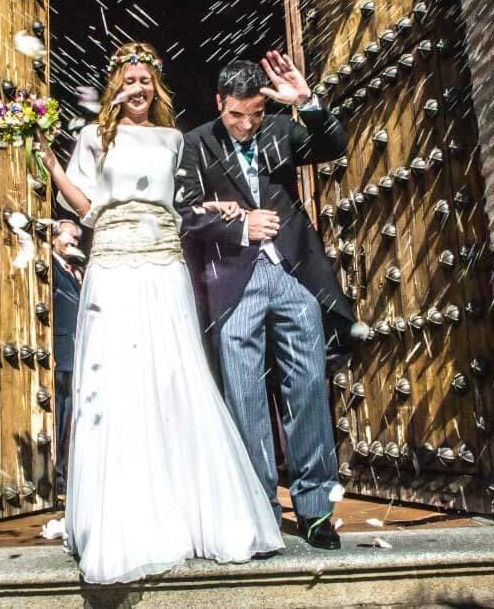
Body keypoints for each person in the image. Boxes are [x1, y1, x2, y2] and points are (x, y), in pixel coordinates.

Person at [40, 42, 284, 585]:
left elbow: (183, 202)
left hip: (164, 263)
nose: (138, 88)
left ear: (156, 87)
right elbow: (84, 206)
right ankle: (123, 519)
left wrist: (216, 207)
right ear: (114, 87)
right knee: (118, 384)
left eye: (146, 80)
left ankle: (196, 513)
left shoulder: (176, 139)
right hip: (113, 263)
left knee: (177, 377)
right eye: (128, 80)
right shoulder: (92, 137)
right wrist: (54, 167)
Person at [175, 53, 353, 550]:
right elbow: (184, 213)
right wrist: (237, 225)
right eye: (237, 115)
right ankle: (261, 509)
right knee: (246, 401)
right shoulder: (195, 143)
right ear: (219, 103)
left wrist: (309, 103)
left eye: (255, 113)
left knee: (308, 391)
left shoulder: (280, 129)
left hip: (294, 276)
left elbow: (334, 146)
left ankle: (316, 510)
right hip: (233, 285)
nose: (247, 124)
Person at [51, 219, 82, 497]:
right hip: (60, 351)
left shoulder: (74, 272)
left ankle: (64, 473)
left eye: (76, 239)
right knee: (58, 414)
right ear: (53, 239)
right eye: (69, 237)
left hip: (74, 352)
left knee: (70, 415)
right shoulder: (48, 268)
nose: (74, 242)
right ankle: (56, 477)